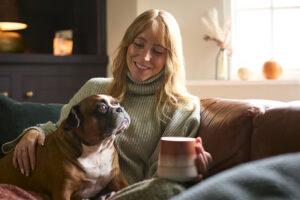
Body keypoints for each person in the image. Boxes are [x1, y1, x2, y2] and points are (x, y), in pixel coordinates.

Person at [2, 9, 212, 198]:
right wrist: (33, 132)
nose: (145, 57)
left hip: (129, 193)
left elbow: (161, 178)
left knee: (169, 188)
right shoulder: (97, 88)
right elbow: (60, 129)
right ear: (127, 44)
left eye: (157, 51)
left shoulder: (181, 108)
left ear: (171, 58)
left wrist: (192, 169)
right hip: (77, 191)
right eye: (138, 44)